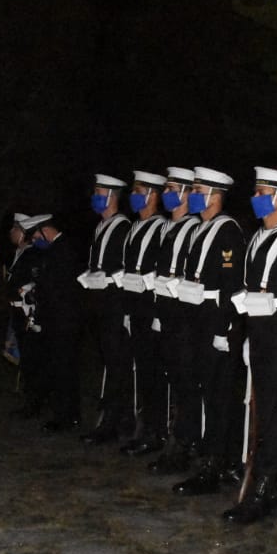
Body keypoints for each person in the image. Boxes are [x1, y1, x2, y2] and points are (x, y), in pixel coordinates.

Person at [222, 167, 277, 523]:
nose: (256, 198)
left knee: (276, 418)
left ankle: (265, 486)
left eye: (262, 192)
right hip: (260, 338)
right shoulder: (258, 237)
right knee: (269, 414)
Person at [171, 166, 246, 495]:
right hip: (197, 320)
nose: (192, 196)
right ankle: (207, 453)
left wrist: (225, 328)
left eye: (198, 191)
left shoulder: (227, 231)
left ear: (215, 197)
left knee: (219, 396)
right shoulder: (200, 229)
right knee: (203, 390)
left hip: (216, 323)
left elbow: (231, 285)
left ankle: (217, 462)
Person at [148, 167, 202, 474]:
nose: (168, 194)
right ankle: (174, 440)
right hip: (167, 314)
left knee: (186, 385)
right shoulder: (170, 227)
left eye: (172, 189)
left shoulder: (193, 228)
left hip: (183, 318)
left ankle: (184, 445)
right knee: (173, 381)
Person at [76, 174, 134, 444]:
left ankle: (113, 422)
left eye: (99, 192)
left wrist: (108, 280)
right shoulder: (102, 226)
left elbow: (126, 268)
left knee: (117, 365)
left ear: (111, 196)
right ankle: (118, 418)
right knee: (110, 363)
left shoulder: (122, 227)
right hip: (100, 304)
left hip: (114, 306)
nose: (95, 197)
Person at [118, 171, 169, 457]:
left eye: (140, 191)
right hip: (135, 308)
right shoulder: (136, 226)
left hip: (151, 309)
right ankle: (144, 427)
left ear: (153, 195)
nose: (135, 197)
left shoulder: (160, 227)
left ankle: (155, 431)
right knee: (143, 373)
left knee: (153, 374)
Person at [24, 214, 84, 432]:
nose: (34, 241)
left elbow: (60, 289)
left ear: (45, 231)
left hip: (64, 321)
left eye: (36, 236)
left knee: (64, 369)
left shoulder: (63, 250)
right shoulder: (52, 251)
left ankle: (67, 417)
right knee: (57, 368)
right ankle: (62, 414)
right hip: (55, 319)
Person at [7, 213, 47, 417]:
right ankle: (30, 399)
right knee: (26, 358)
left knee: (33, 359)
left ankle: (35, 403)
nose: (11, 233)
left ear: (23, 233)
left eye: (14, 229)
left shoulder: (32, 254)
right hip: (17, 311)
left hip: (27, 313)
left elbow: (35, 281)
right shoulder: (19, 253)